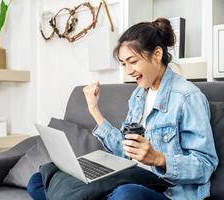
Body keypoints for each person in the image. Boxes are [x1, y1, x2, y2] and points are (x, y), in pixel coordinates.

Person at [27, 18, 218, 200]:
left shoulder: (187, 98)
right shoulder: (138, 95)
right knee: (39, 180)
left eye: (133, 61)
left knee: (126, 195)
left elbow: (205, 165)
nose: (128, 70)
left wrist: (158, 158)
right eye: (123, 63)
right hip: (132, 176)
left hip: (166, 190)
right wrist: (94, 110)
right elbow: (124, 151)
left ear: (157, 54)